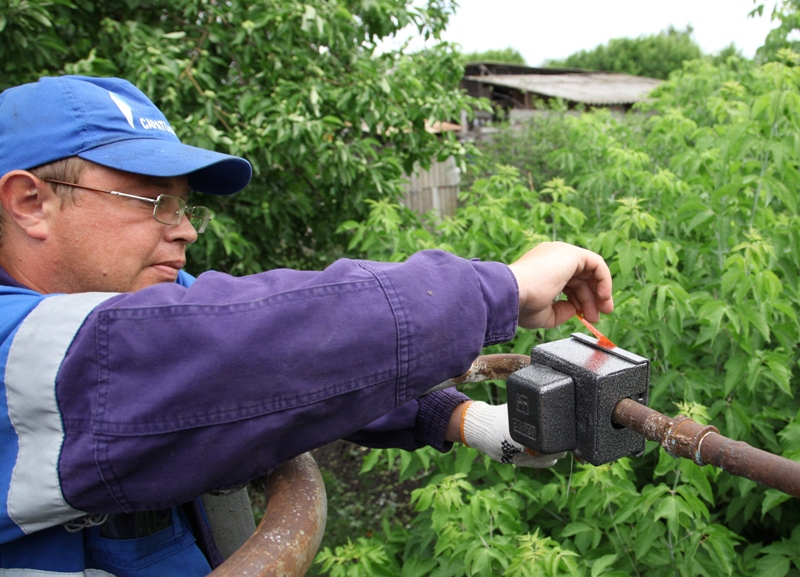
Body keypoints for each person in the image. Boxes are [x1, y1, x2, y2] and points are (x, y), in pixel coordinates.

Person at [0, 76, 614, 576]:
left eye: (185, 205)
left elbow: (286, 357)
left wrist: (463, 418)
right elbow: (224, 352)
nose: (184, 228)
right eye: (154, 201)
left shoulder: (126, 298)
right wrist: (499, 288)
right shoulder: (17, 353)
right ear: (32, 203)